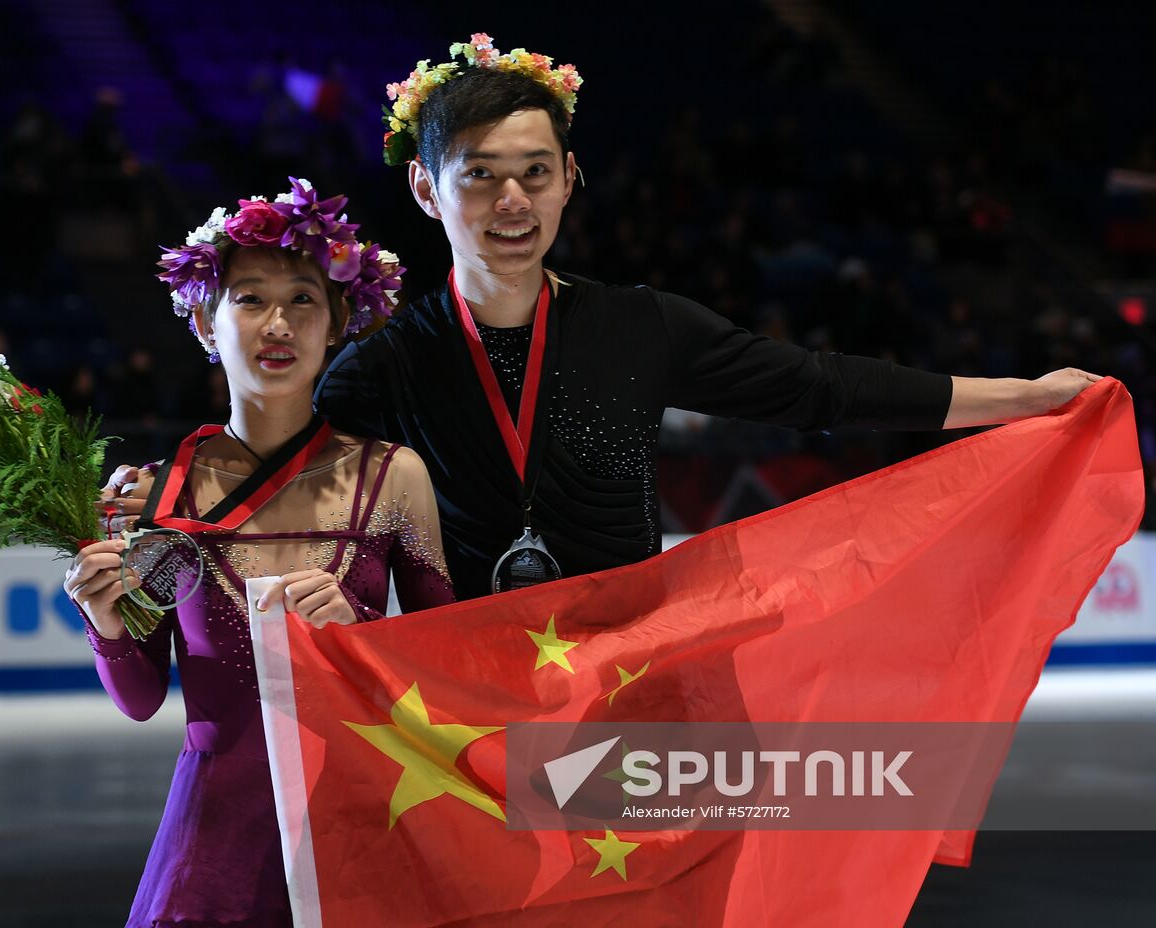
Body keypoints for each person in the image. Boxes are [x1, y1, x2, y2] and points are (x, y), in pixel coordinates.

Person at [105, 34, 1101, 602]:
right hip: (460, 710)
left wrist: (1027, 398)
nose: (510, 202)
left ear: (568, 179)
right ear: (423, 189)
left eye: (534, 174)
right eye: (479, 176)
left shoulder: (638, 326)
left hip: (636, 686)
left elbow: (818, 388)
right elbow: (280, 479)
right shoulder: (382, 370)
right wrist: (147, 502)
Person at [64, 178, 454, 927]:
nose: (278, 323)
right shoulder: (154, 494)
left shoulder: (392, 477)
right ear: (207, 325)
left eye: (303, 299)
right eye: (249, 299)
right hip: (214, 843)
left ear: (341, 321)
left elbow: (446, 666)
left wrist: (361, 642)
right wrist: (102, 623)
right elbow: (143, 700)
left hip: (365, 823)